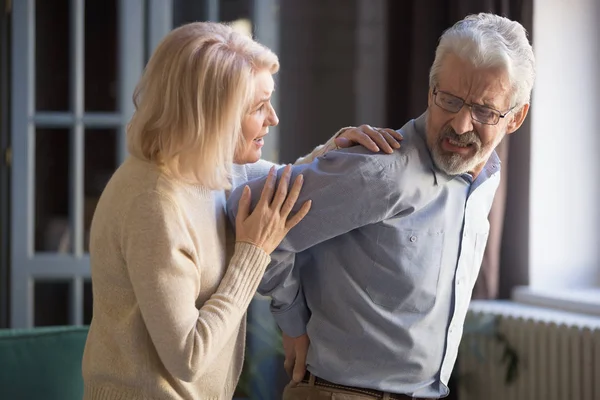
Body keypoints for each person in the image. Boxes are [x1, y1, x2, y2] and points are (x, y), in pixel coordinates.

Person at [81, 22, 402, 400]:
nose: (273, 118)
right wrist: (253, 254)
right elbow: (188, 357)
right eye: (258, 107)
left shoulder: (213, 168)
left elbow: (283, 183)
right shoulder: (154, 205)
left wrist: (331, 152)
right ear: (214, 115)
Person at [227, 13, 535, 400]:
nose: (460, 125)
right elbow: (251, 205)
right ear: (431, 90)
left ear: (515, 118)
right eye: (450, 100)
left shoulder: (486, 178)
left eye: (485, 112)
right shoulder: (381, 168)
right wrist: (292, 322)